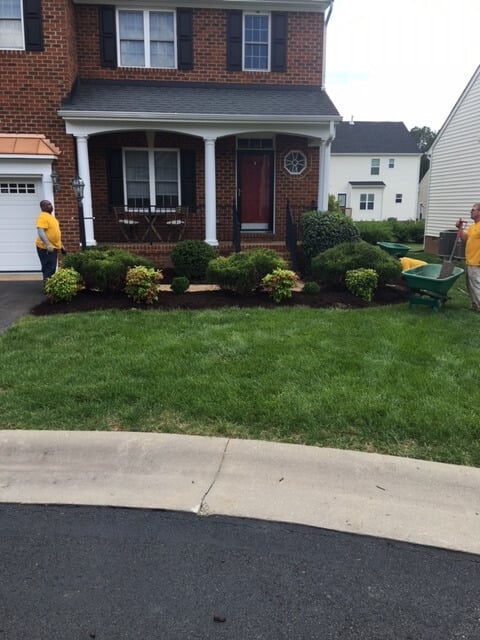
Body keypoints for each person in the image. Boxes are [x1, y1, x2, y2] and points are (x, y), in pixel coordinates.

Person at [456, 203, 480, 311]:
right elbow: (465, 238)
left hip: (477, 261)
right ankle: (475, 305)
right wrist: (460, 228)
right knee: (470, 286)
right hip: (469, 261)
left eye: (473, 210)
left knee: (476, 286)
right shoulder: (472, 226)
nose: (471, 211)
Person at [35, 200, 66, 281]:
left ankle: (50, 286)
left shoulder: (51, 217)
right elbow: (40, 231)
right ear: (42, 207)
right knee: (49, 267)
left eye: (50, 204)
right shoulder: (42, 216)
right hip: (45, 248)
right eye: (48, 205)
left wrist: (61, 246)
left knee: (52, 267)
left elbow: (55, 233)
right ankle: (47, 287)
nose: (50, 206)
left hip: (53, 247)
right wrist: (47, 244)